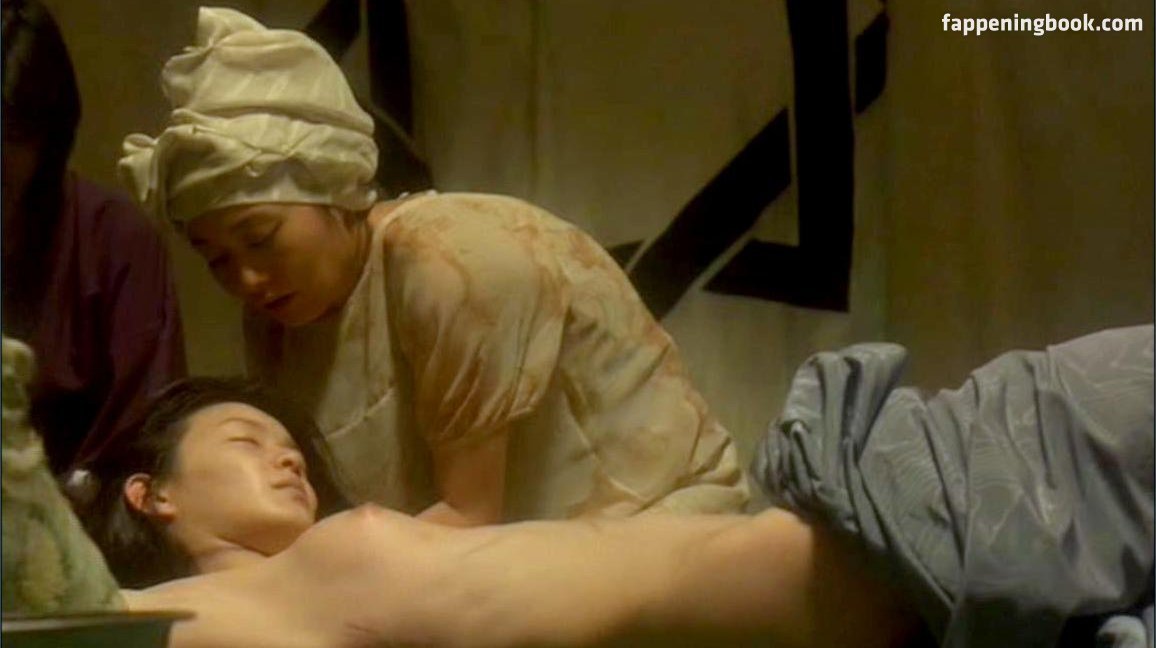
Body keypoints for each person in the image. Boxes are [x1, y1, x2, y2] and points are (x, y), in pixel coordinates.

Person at [118, 7, 748, 526]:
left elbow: (470, 516)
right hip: (480, 568)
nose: (246, 280)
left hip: (657, 537)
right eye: (217, 259)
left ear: (336, 194)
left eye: (261, 238)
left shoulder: (452, 261)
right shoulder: (275, 318)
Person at [68, 369, 914, 647]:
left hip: (871, 542)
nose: (287, 456)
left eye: (291, 446)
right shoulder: (122, 615)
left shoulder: (336, 561)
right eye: (246, 440)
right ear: (153, 494)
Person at [1, 0, 186, 475]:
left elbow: (148, 434)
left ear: (48, 135)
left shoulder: (115, 240)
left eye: (12, 136)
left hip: (81, 507)